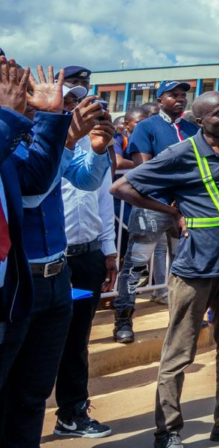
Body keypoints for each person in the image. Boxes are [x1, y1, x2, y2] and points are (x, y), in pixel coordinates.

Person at [113, 91, 219, 448]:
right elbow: (122, 186)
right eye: (218, 114)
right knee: (179, 354)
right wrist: (174, 212)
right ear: (200, 121)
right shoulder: (182, 153)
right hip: (194, 269)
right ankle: (168, 431)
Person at [0, 81, 111, 448]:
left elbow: (87, 180)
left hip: (56, 277)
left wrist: (96, 150)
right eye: (34, 100)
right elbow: (32, 195)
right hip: (19, 283)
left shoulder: (41, 142)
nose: (42, 108)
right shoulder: (12, 148)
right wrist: (61, 141)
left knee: (33, 394)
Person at [0, 63, 74, 390]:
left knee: (31, 394)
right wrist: (7, 115)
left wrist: (52, 119)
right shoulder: (8, 126)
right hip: (19, 277)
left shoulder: (12, 130)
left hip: (18, 285)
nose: (13, 82)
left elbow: (33, 183)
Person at [53, 87, 120, 439]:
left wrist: (108, 250)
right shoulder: (41, 147)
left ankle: (71, 413)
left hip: (87, 257)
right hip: (49, 262)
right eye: (66, 103)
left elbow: (104, 201)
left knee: (77, 342)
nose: (75, 109)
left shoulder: (95, 146)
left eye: (79, 103)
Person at [115, 81, 199, 343]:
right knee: (136, 265)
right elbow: (145, 171)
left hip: (186, 210)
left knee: (183, 267)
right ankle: (123, 319)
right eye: (173, 95)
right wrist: (170, 203)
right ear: (160, 99)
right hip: (153, 206)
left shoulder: (192, 128)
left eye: (183, 95)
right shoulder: (146, 127)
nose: (180, 99)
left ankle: (181, 320)